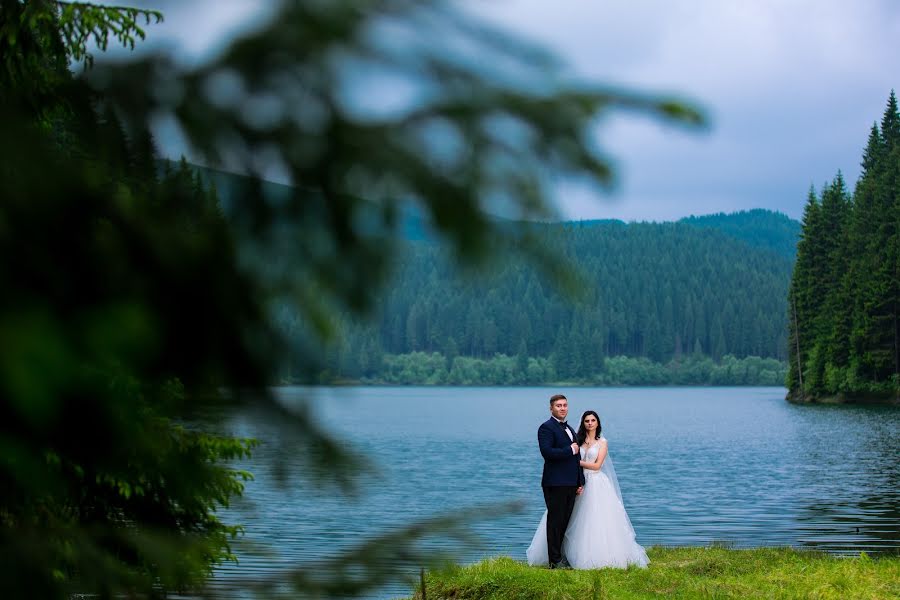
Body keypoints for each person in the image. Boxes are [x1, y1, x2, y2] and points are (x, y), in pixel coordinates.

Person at [527, 410, 650, 569]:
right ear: (583, 423)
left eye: (593, 420)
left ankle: (595, 555)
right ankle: (560, 556)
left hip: (596, 482)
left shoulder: (602, 442)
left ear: (597, 423)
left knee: (593, 518)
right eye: (587, 421)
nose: (590, 423)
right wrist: (576, 474)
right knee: (567, 518)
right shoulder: (579, 440)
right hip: (576, 481)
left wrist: (575, 463)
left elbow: (597, 465)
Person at [534, 394, 585, 569]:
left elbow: (576, 458)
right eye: (558, 406)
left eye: (564, 405)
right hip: (555, 482)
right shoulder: (546, 428)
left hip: (571, 483)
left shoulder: (569, 428)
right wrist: (568, 449)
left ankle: (561, 556)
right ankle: (554, 561)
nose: (562, 408)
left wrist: (580, 481)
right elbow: (547, 453)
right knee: (555, 521)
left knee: (565, 522)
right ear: (551, 408)